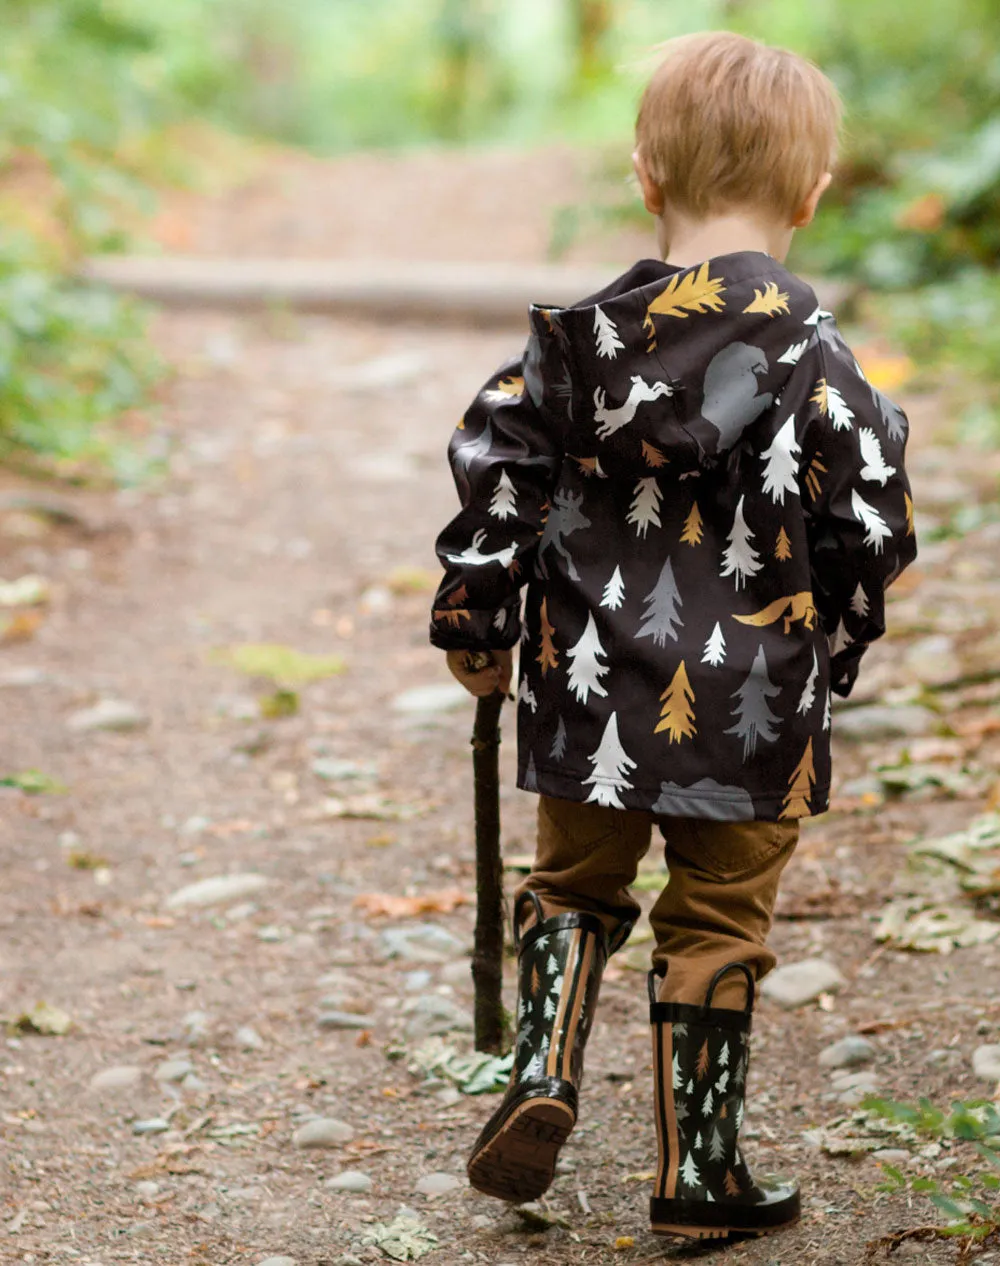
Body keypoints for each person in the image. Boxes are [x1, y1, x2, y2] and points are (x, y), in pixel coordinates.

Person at [428, 30, 916, 1241]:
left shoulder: (571, 347)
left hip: (589, 690)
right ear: (810, 197)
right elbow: (869, 513)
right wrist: (842, 640)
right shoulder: (815, 357)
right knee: (718, 922)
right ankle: (698, 1176)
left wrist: (474, 617)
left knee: (572, 883)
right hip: (754, 709)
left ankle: (540, 1071)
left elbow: (499, 472)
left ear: (645, 176)